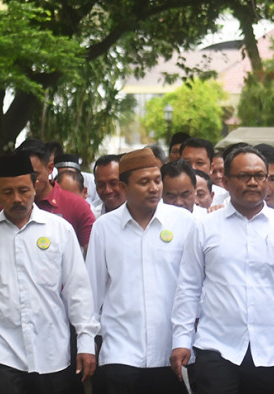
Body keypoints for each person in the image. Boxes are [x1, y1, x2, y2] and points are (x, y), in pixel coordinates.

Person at [0, 153, 98, 392]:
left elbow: (78, 291)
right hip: (1, 352)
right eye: (8, 192)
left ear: (35, 186)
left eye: (24, 190)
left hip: (52, 351)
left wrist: (86, 341)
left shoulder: (60, 231)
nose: (17, 199)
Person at [170, 145, 274, 393]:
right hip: (217, 348)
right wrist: (181, 340)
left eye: (260, 176)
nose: (253, 183)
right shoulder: (205, 227)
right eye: (244, 176)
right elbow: (188, 288)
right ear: (225, 181)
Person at [86, 148, 195, 394]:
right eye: (144, 182)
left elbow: (192, 287)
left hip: (172, 352)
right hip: (120, 353)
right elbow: (91, 292)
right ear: (124, 188)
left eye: (157, 180)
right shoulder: (104, 228)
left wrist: (184, 340)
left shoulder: (184, 223)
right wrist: (86, 341)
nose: (154, 188)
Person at [16, 138, 96, 249]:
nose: (28, 182)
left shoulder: (78, 206)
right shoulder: (10, 207)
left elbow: (93, 256)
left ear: (49, 168)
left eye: (34, 175)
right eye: (22, 175)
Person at [93, 154, 126, 218]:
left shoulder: (143, 217)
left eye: (113, 183)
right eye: (101, 185)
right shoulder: (92, 218)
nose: (107, 190)